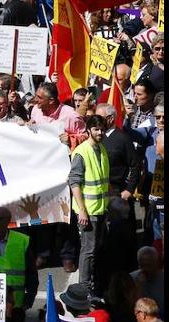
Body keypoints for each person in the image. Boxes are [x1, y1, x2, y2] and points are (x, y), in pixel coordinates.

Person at [71, 114, 112, 300]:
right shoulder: (82, 152)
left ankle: (93, 286)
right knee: (88, 250)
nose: (100, 132)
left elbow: (104, 180)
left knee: (96, 249)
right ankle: (84, 289)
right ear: (88, 130)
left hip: (101, 208)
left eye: (102, 129)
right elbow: (74, 183)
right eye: (96, 129)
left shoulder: (101, 148)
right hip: (89, 211)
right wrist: (82, 210)